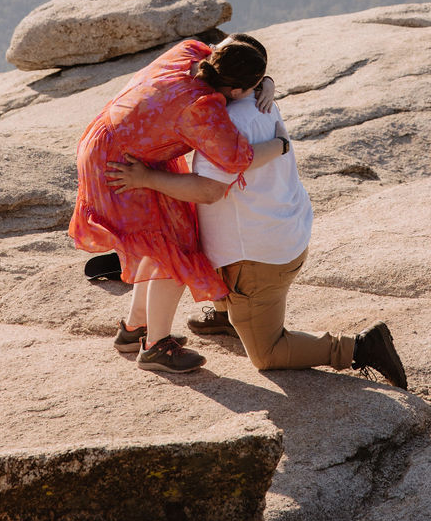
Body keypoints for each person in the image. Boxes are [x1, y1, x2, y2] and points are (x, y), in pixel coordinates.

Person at [108, 75, 408, 388]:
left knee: (267, 353)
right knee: (180, 241)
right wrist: (266, 83)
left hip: (256, 256)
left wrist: (144, 179)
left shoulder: (225, 123)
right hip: (279, 231)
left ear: (234, 86)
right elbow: (241, 60)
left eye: (211, 75)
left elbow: (209, 191)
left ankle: (359, 347)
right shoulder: (252, 99)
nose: (201, 78)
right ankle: (228, 316)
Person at [70, 33, 287, 372]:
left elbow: (229, 49)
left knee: (160, 243)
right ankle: (156, 347)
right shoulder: (201, 108)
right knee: (174, 250)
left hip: (110, 144)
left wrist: (267, 81)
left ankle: (133, 330)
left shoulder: (188, 53)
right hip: (120, 167)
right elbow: (238, 157)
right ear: (236, 92)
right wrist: (282, 145)